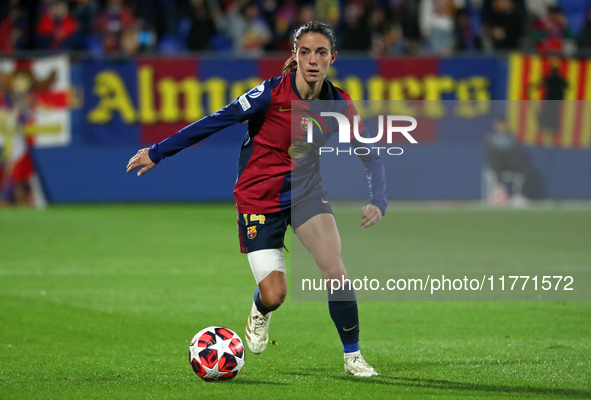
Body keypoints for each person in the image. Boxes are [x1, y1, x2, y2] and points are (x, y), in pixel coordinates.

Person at [126, 21, 385, 377]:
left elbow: (368, 153)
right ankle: (260, 309)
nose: (313, 60)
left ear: (332, 58)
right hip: (259, 197)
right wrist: (158, 151)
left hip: (307, 194)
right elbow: (214, 121)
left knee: (336, 273)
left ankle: (352, 355)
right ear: (294, 56)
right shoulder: (270, 94)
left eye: (321, 53)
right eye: (305, 52)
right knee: (275, 294)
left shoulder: (339, 103)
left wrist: (379, 198)